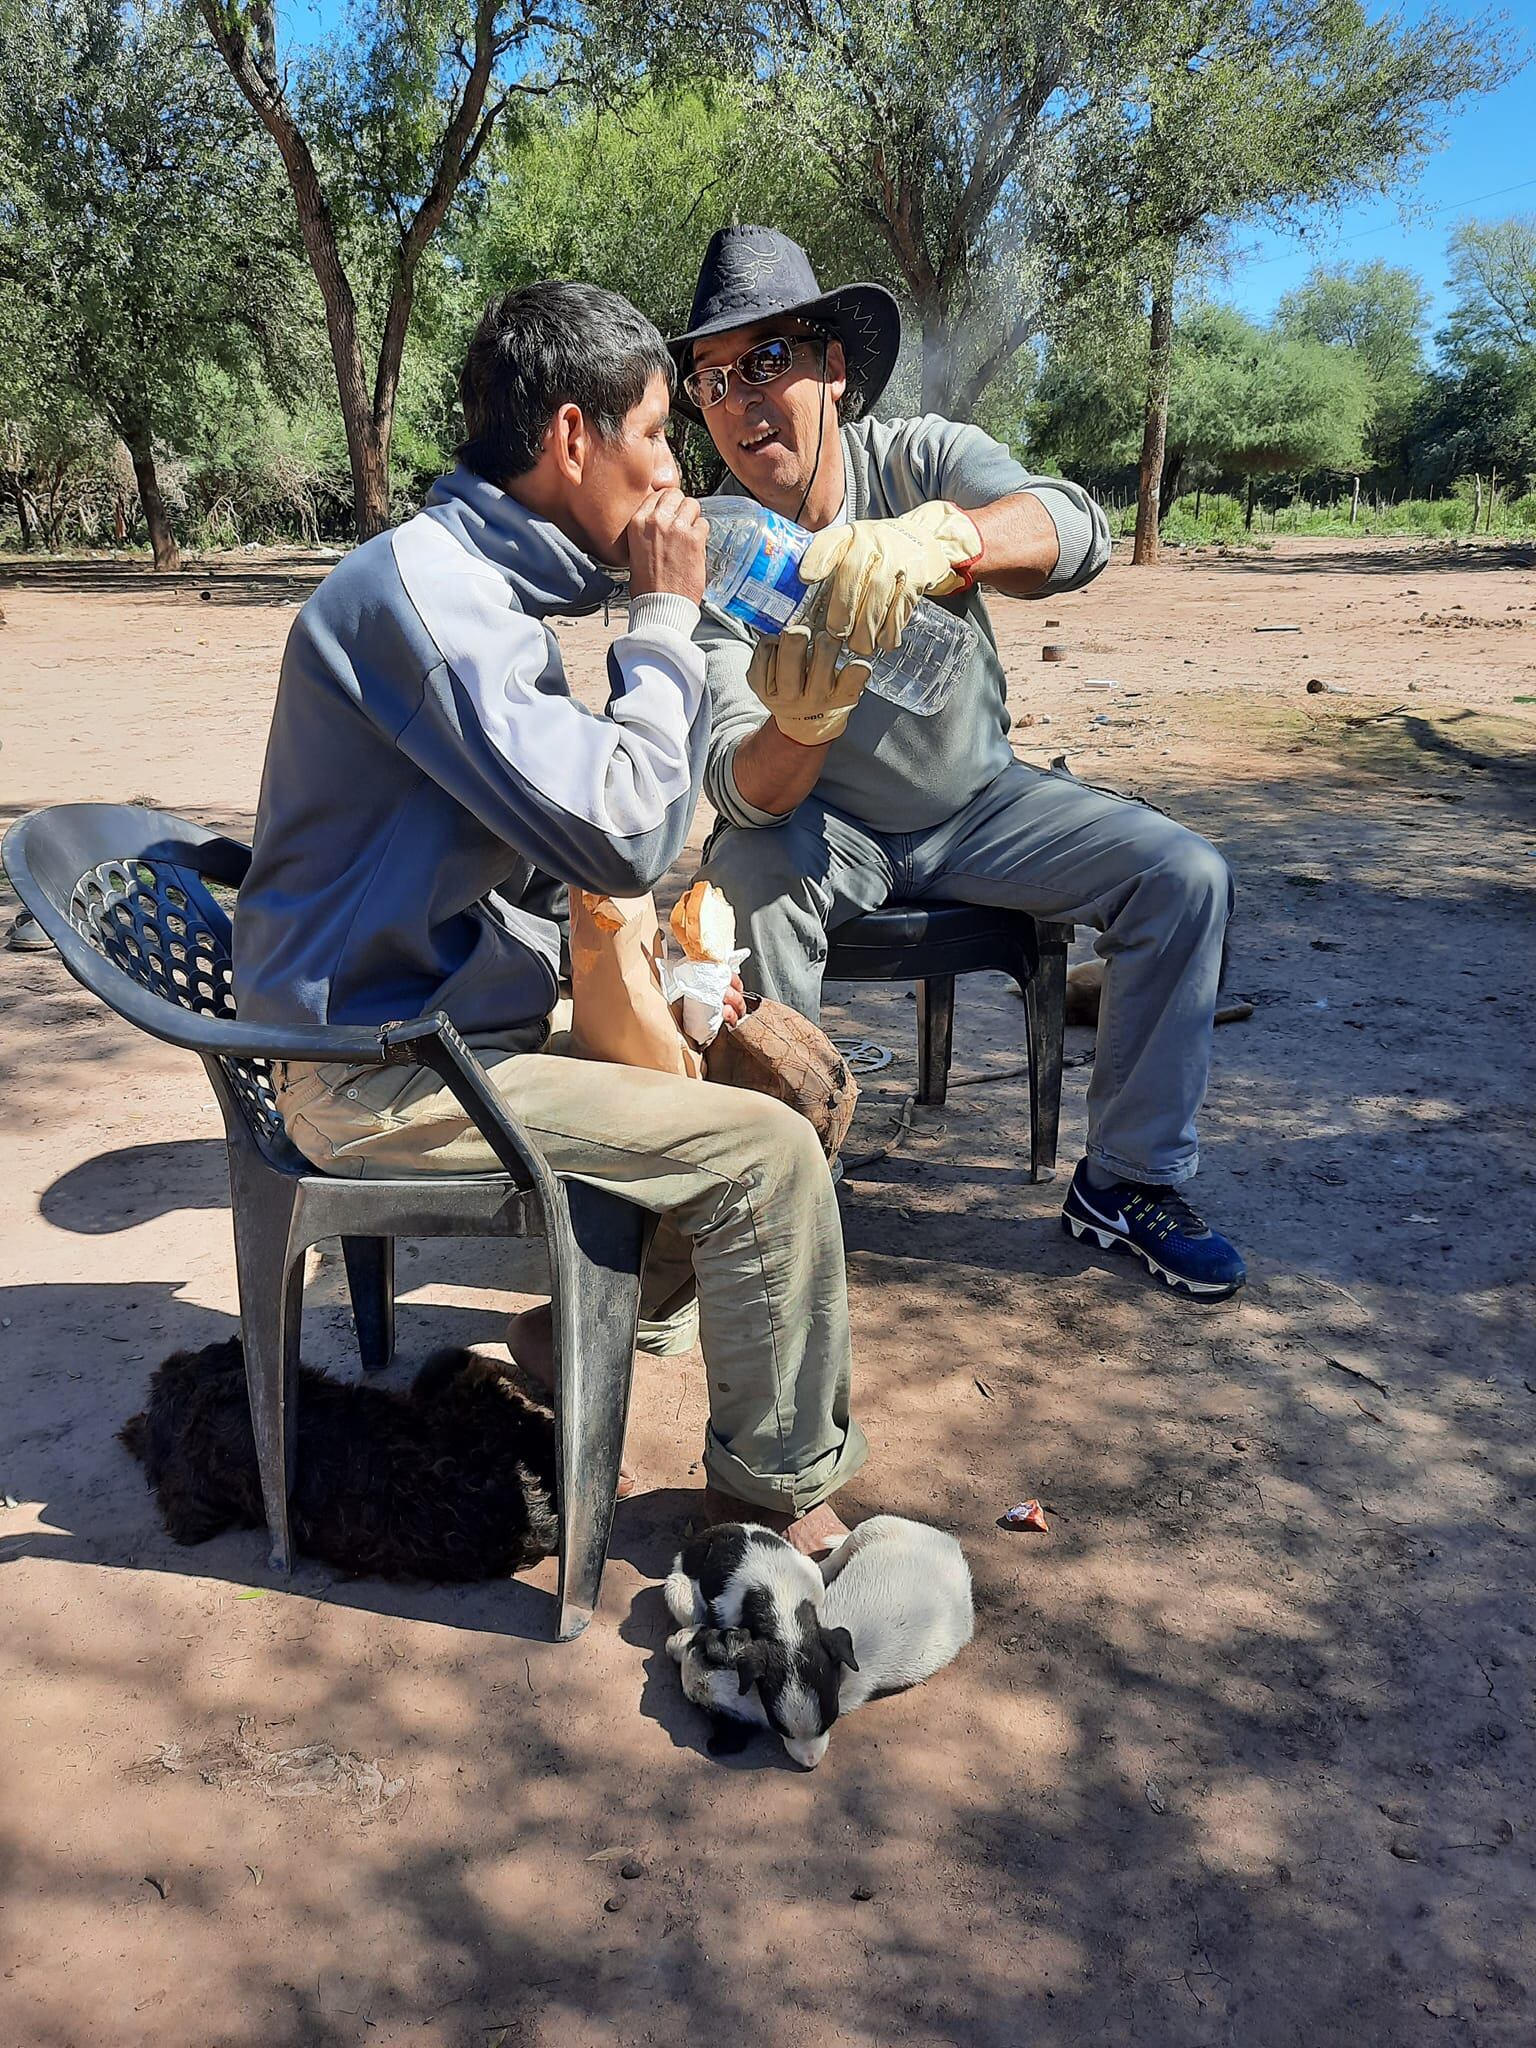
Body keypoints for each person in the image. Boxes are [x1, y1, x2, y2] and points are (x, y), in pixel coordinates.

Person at [232, 281, 865, 1553]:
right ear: (575, 439)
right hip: (368, 1066)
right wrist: (669, 616)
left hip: (431, 1007)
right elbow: (626, 830)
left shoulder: (475, 585)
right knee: (769, 1156)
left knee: (760, 1073)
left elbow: (548, 842)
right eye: (659, 437)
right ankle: (768, 1508)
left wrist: (652, 983)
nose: (676, 478)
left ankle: (582, 1322)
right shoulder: (431, 600)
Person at [673, 226, 1246, 1301]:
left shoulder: (917, 457)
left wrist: (941, 539)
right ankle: (784, 1193)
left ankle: (1128, 1180)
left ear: (834, 370)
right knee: (741, 872)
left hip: (980, 801)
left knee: (1185, 875)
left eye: (766, 362)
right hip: (825, 825)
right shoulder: (715, 556)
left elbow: (1075, 526)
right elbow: (730, 782)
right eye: (711, 378)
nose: (740, 401)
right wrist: (799, 726)